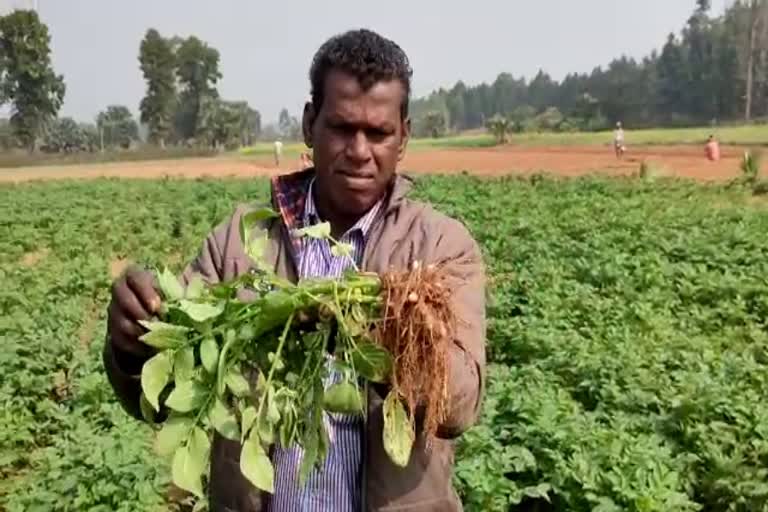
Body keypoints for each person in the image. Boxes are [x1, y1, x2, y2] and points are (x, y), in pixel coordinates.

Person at [103, 28, 486, 512]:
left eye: (379, 133)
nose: (360, 151)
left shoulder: (440, 247)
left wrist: (384, 328)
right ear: (310, 125)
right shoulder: (239, 243)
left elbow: (459, 406)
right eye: (343, 128)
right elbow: (165, 400)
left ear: (404, 136)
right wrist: (132, 347)